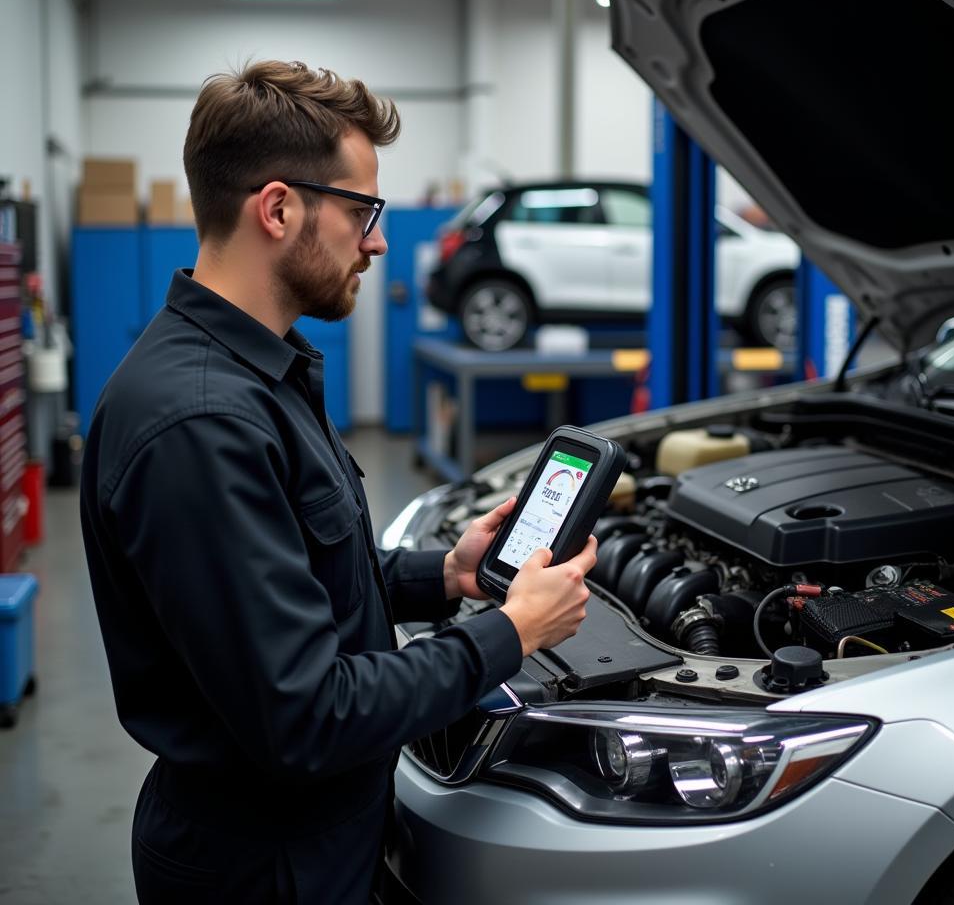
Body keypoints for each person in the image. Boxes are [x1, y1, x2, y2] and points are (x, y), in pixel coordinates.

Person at [79, 60, 597, 904]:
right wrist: (510, 631)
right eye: (362, 210)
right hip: (264, 867)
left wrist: (446, 576)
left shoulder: (255, 377)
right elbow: (307, 714)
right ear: (279, 209)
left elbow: (289, 582)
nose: (380, 241)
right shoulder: (201, 423)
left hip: (316, 837)